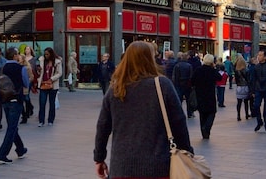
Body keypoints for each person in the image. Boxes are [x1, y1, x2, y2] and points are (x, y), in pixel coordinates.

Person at [93, 41, 192, 179]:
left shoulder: (116, 88)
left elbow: (103, 127)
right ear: (150, 59)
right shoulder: (162, 85)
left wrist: (99, 158)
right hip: (158, 166)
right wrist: (187, 151)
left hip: (122, 166)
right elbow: (179, 123)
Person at [0, 47, 29, 165]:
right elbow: (26, 83)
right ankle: (2, 154)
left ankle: (20, 149)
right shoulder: (21, 68)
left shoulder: (1, 69)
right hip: (16, 100)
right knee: (12, 128)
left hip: (4, 100)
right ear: (15, 56)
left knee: (12, 126)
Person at [190, 54, 221, 140]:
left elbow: (192, 81)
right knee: (212, 112)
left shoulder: (198, 70)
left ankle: (204, 133)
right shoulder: (212, 70)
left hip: (200, 95)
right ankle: (207, 128)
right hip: (210, 95)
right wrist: (214, 68)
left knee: (202, 114)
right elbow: (219, 77)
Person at [248, 50, 266, 133]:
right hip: (258, 89)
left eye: (261, 55)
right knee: (256, 106)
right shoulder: (256, 67)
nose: (258, 57)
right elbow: (253, 79)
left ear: (265, 57)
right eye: (258, 55)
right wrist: (252, 91)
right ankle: (259, 121)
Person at [36, 47, 62, 126]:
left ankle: (50, 120)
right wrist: (38, 70)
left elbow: (59, 73)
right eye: (45, 54)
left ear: (51, 54)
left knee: (52, 103)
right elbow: (39, 72)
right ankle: (41, 121)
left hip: (53, 85)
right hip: (43, 84)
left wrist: (52, 79)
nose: (46, 55)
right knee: (42, 103)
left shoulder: (57, 61)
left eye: (47, 54)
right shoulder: (41, 60)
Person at [171, 51, 195, 117]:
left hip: (179, 84)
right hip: (187, 85)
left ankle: (179, 113)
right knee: (188, 100)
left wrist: (175, 84)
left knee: (179, 100)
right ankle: (189, 113)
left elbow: (175, 76)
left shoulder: (177, 66)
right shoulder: (189, 66)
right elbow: (191, 76)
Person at [232, 55, 252, 121]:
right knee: (246, 102)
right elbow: (248, 80)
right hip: (245, 87)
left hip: (239, 87)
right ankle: (246, 114)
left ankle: (238, 115)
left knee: (239, 102)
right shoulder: (246, 70)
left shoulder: (236, 71)